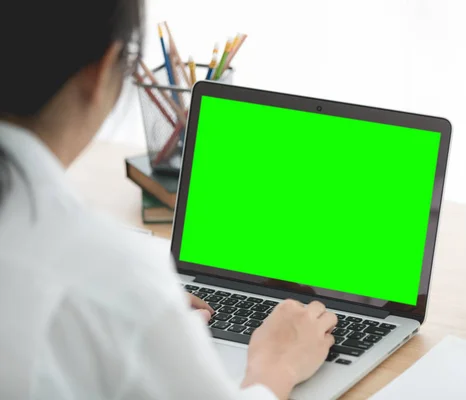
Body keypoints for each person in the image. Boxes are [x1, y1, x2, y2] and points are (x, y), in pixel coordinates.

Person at [0, 2, 337, 399]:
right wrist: (276, 367)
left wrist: (142, 307)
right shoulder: (111, 274)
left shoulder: (109, 279)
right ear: (102, 70)